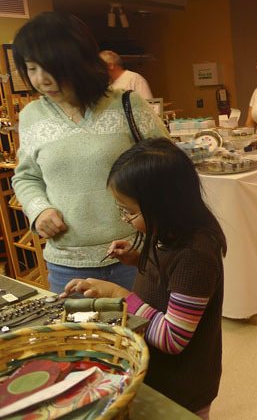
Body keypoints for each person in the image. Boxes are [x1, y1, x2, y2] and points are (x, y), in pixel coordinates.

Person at [61, 138, 226, 419]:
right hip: (157, 372)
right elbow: (169, 280)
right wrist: (138, 258)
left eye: (130, 211)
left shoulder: (195, 255)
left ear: (164, 205)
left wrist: (119, 296)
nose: (124, 218)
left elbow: (173, 337)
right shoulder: (170, 234)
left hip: (182, 384)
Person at [11, 12, 168, 293]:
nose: (42, 80)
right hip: (66, 263)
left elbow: (169, 166)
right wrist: (39, 210)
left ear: (79, 60)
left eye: (51, 67)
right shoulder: (32, 116)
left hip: (135, 256)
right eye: (31, 68)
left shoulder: (128, 105)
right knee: (77, 337)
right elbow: (26, 177)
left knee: (143, 335)